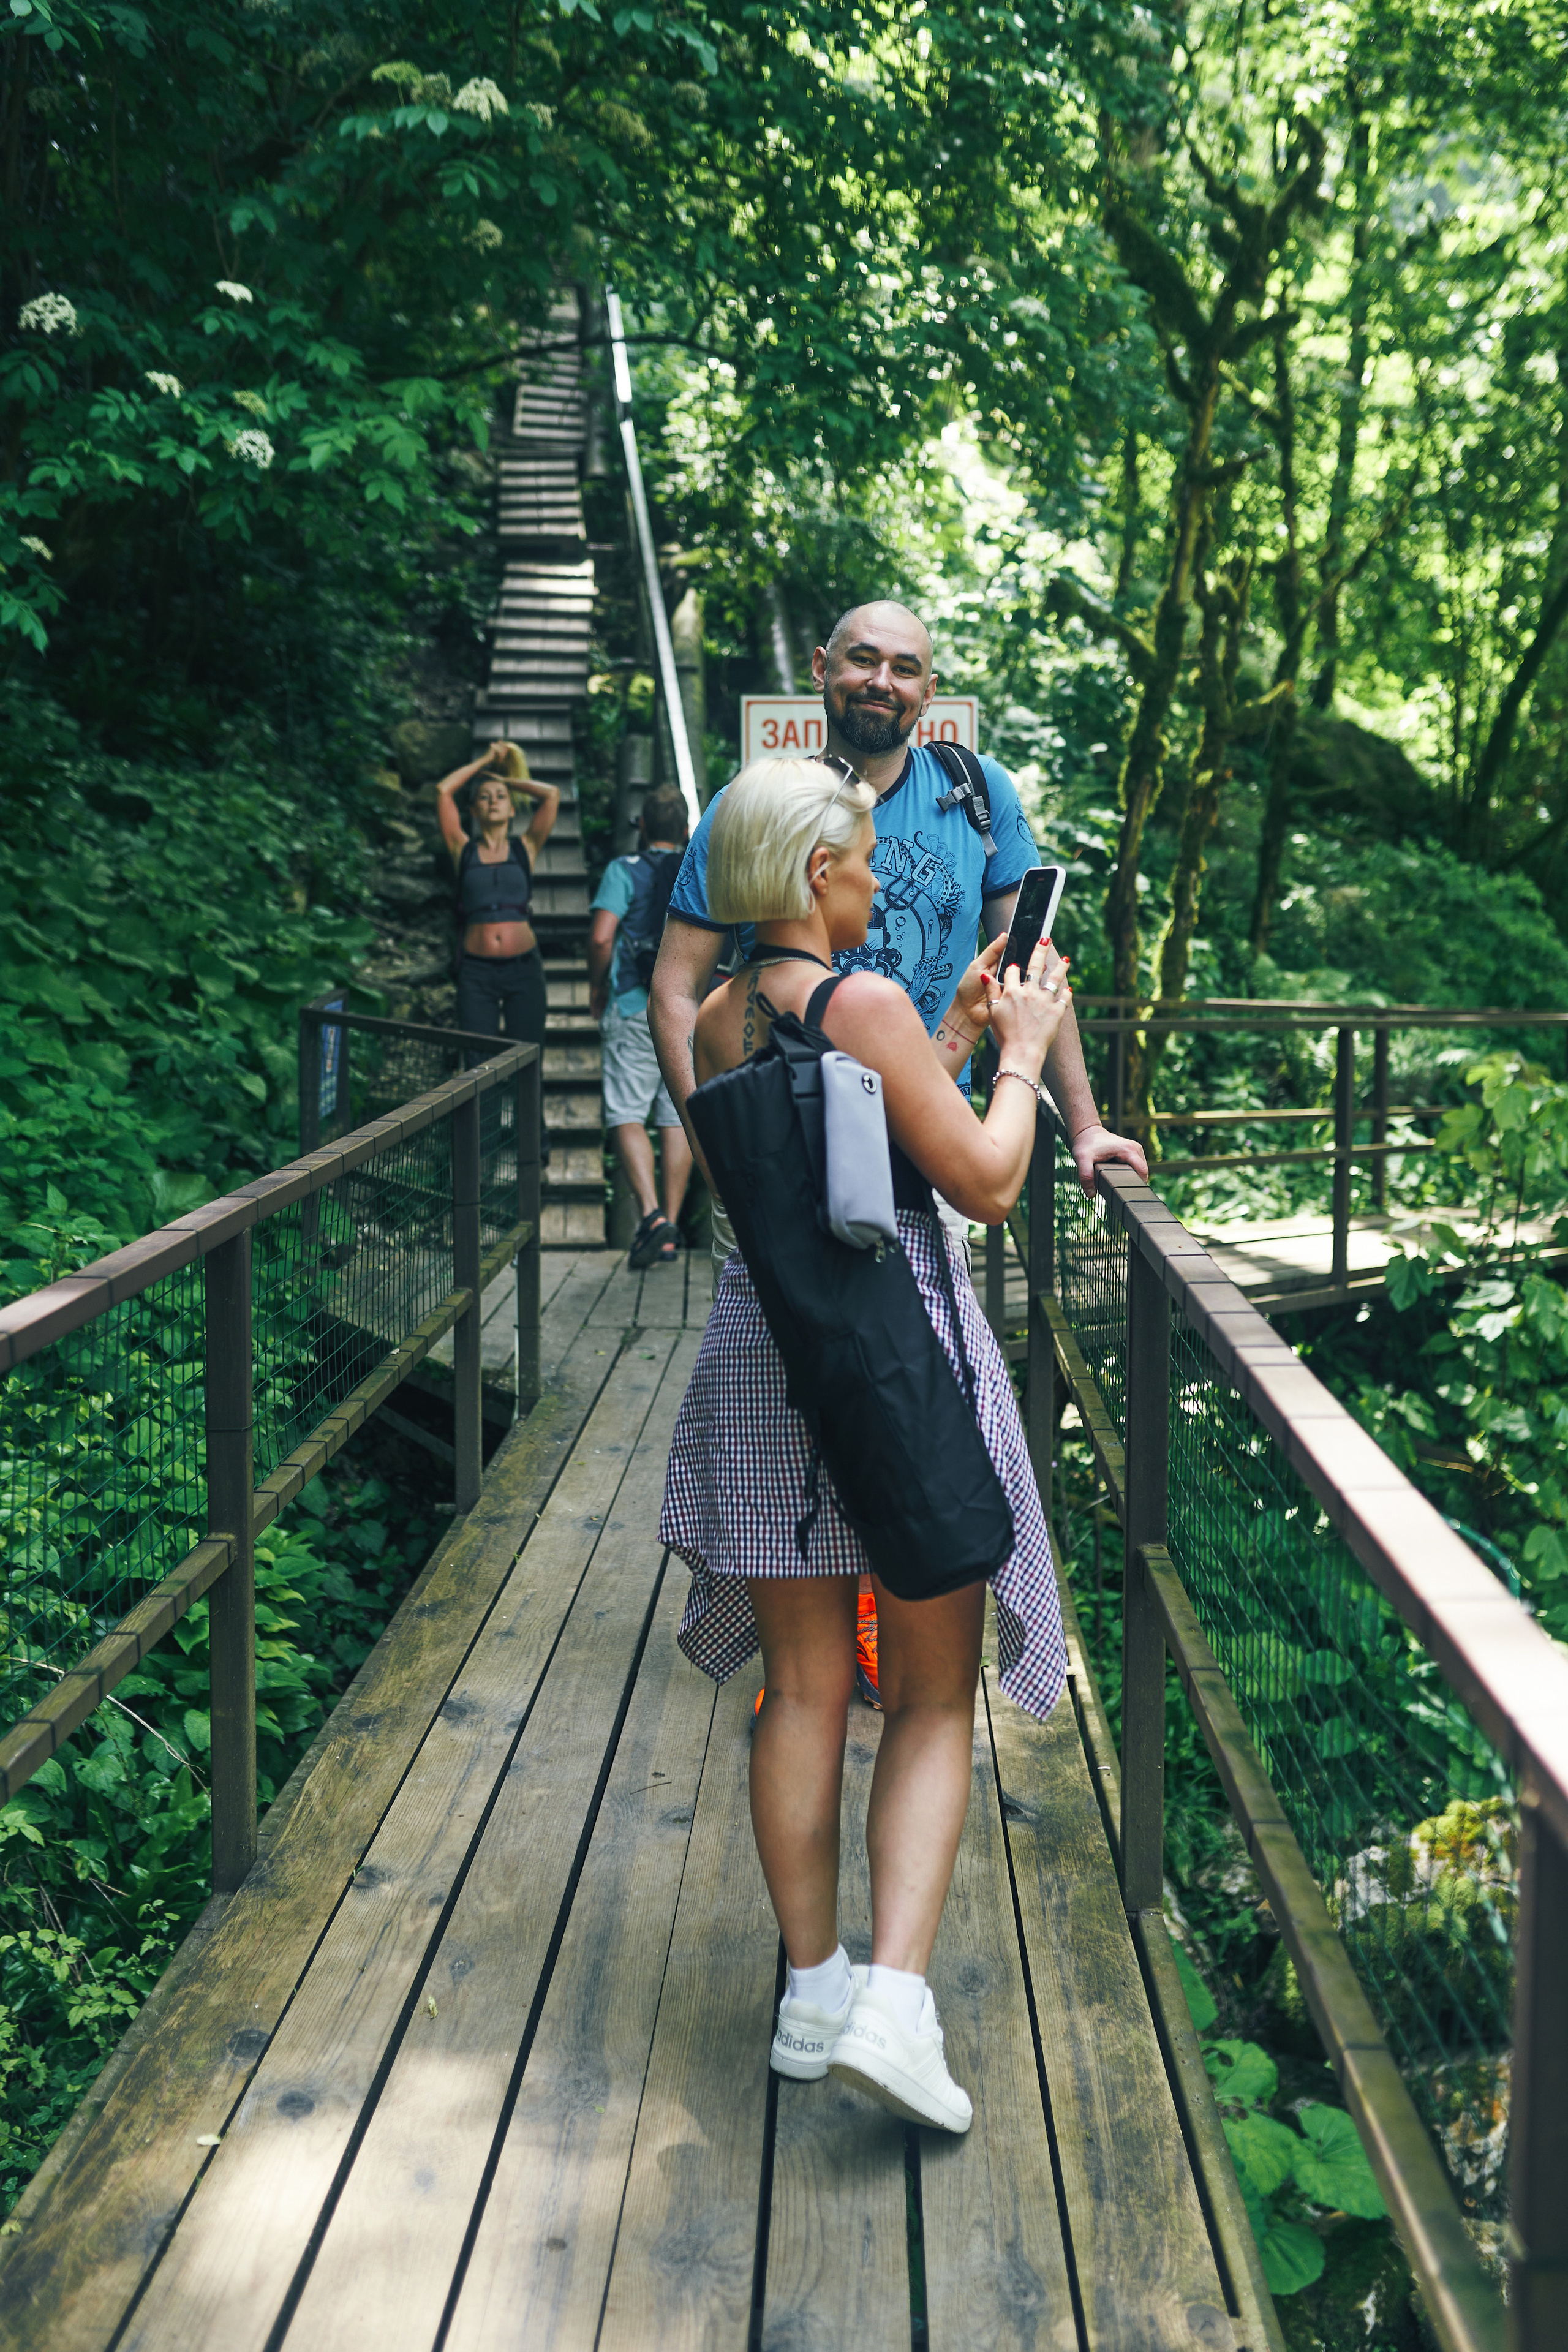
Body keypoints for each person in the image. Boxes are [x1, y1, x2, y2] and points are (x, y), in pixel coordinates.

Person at [659, 755, 1073, 2135]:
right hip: (895, 1360)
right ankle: (895, 2005)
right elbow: (987, 1181)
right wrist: (1015, 1056)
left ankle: (812, 1993)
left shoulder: (719, 1018)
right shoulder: (865, 999)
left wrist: (945, 1045)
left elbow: (823, 1144)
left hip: (765, 1352)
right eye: (858, 859)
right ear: (818, 874)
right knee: (930, 1694)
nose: (875, 877)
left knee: (801, 1689)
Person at [649, 599, 1147, 1705]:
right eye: (863, 659)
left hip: (925, 1158)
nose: (882, 680)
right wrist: (723, 1143)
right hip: (802, 1157)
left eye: (906, 667)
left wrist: (1085, 1115)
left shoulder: (977, 797)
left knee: (884, 1384)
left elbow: (1029, 972)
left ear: (929, 690)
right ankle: (861, 1634)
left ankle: (850, 1633)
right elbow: (673, 989)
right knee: (867, 1382)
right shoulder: (764, 805)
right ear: (823, 672)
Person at [589, 786, 695, 1269]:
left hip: (633, 1003)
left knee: (626, 1112)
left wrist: (597, 991)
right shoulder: (698, 869)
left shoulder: (622, 871)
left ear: (644, 827)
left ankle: (651, 1215)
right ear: (686, 829)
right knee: (676, 1115)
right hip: (687, 1007)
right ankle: (670, 1230)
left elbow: (601, 936)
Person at [435, 741, 560, 1064]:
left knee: (528, 1061)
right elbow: (443, 791)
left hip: (524, 970)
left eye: (501, 797)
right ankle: (484, 1119)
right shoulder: (462, 849)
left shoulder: (526, 847)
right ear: (474, 810)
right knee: (477, 1065)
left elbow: (551, 795)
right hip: (476, 973)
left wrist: (505, 780)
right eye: (485, 797)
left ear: (513, 808)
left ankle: (531, 1118)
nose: (494, 801)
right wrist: (485, 761)